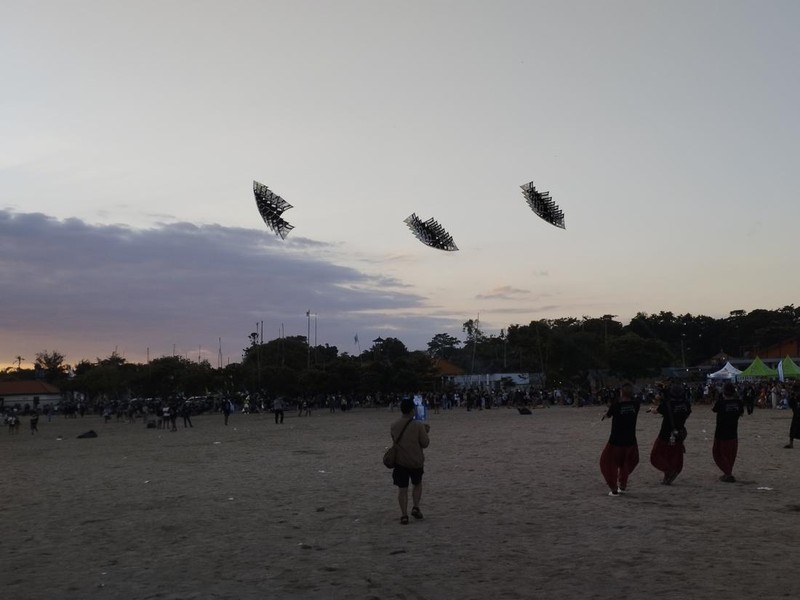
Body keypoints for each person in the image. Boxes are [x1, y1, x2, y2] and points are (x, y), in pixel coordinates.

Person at [390, 397, 430, 524]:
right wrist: (425, 432)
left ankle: (404, 515)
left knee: (402, 489)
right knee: (417, 484)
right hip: (415, 460)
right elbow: (425, 443)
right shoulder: (418, 425)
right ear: (412, 410)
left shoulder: (394, 425)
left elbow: (395, 441)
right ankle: (416, 507)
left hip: (400, 461)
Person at [599, 382, 640, 496]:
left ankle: (614, 488)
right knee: (625, 464)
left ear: (621, 392)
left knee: (608, 464)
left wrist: (606, 413)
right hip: (630, 440)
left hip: (616, 440)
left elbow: (609, 414)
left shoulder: (616, 405)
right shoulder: (636, 404)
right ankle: (622, 485)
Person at [650, 383, 691, 485]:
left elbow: (657, 411)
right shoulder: (686, 404)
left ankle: (669, 471)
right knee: (673, 457)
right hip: (679, 433)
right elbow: (687, 414)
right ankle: (668, 477)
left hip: (665, 433)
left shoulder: (667, 404)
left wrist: (652, 409)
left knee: (656, 456)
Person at [712, 382, 744, 482]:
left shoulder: (721, 403)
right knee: (730, 455)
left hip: (721, 432)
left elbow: (714, 409)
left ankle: (728, 473)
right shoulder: (738, 403)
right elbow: (741, 413)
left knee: (719, 454)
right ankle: (728, 472)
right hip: (733, 432)